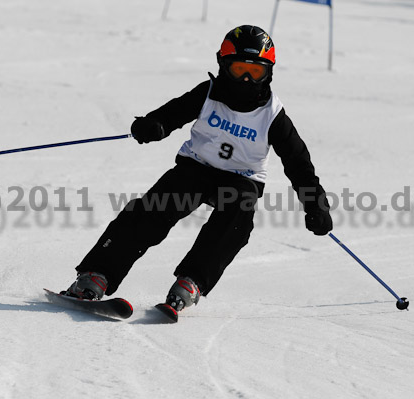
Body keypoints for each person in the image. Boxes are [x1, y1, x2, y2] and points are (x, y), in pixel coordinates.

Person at [63, 25, 332, 313]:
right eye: (239, 69)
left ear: (269, 73)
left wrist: (315, 205)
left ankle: (191, 282)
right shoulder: (209, 94)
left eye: (255, 73)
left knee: (236, 221)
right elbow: (174, 112)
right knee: (150, 211)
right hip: (196, 168)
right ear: (223, 65)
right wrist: (155, 124)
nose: (245, 79)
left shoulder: (273, 115)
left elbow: (298, 163)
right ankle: (96, 275)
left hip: (242, 180)